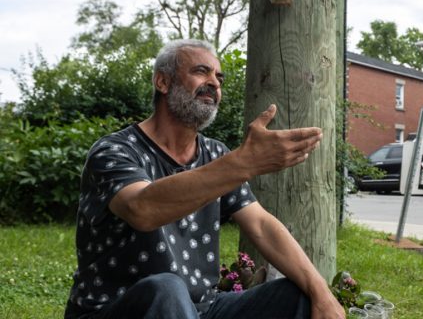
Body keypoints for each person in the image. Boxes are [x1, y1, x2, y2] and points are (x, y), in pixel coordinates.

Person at [64, 39, 345, 319]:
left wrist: (321, 291)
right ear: (163, 82)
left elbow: (261, 225)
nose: (214, 82)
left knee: (297, 295)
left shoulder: (214, 154)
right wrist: (244, 163)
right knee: (167, 288)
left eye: (218, 77)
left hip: (201, 310)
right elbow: (142, 209)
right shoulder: (114, 150)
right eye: (201, 71)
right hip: (116, 309)